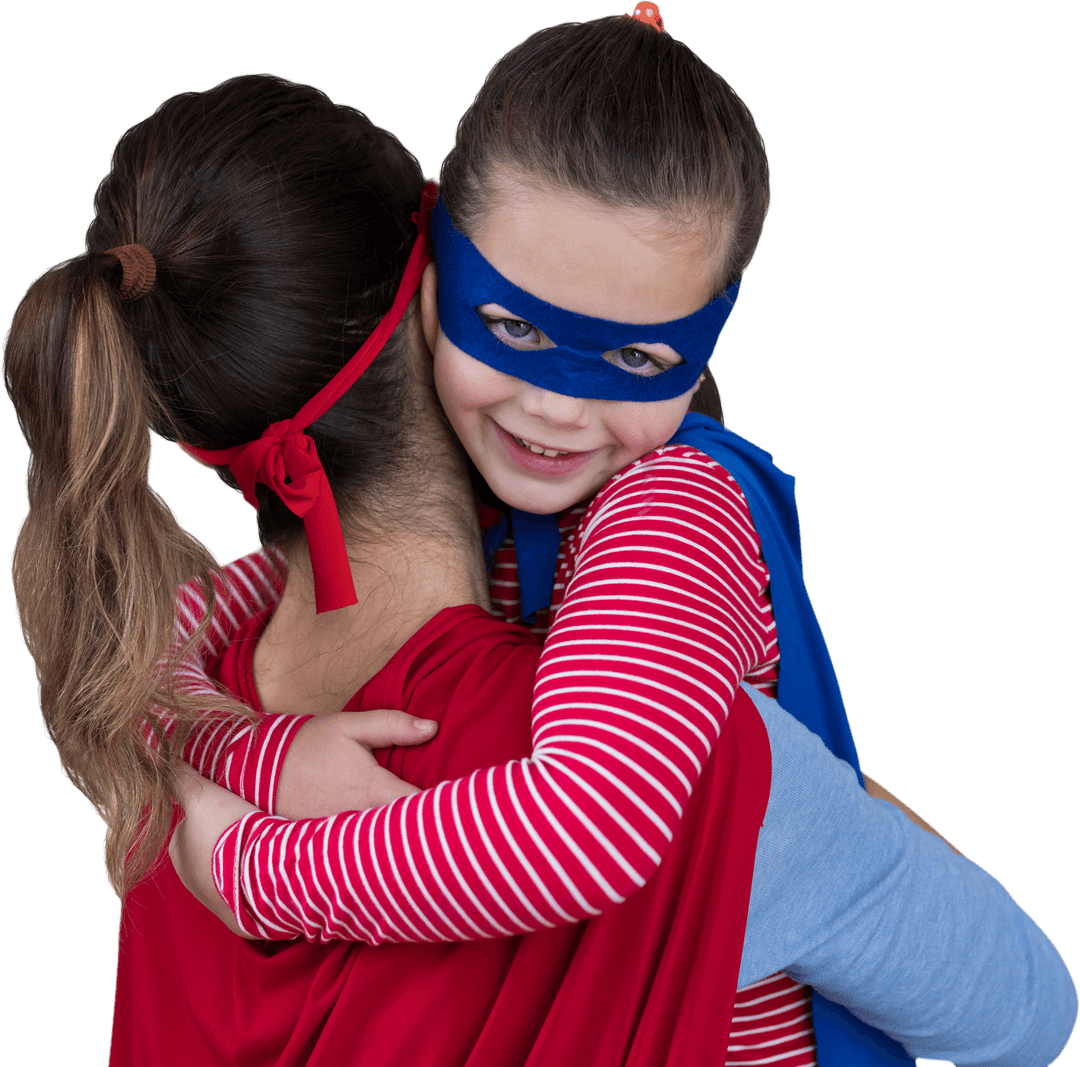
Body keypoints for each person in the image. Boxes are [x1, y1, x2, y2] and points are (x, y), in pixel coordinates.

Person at [157, 14, 1072, 1065]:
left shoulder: (668, 507)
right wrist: (257, 752)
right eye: (514, 327)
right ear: (434, 277)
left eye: (636, 359)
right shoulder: (469, 475)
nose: (555, 408)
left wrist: (251, 868)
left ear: (706, 341)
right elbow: (157, 647)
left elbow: (583, 827)